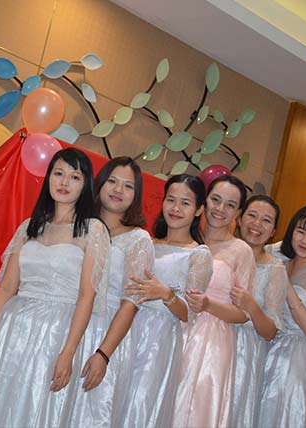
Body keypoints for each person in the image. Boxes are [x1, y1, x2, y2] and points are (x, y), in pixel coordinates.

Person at [0, 148, 110, 428]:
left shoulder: (93, 230)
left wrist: (68, 352)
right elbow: (7, 288)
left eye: (74, 177)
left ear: (85, 185)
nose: (64, 182)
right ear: (48, 178)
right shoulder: (29, 227)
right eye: (58, 173)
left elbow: (86, 296)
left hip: (57, 333)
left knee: (38, 411)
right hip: (13, 330)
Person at [113, 174, 213, 428]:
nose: (175, 208)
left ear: (199, 209)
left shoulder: (199, 255)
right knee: (111, 401)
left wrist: (166, 294)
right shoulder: (145, 241)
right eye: (171, 200)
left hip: (158, 339)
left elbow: (189, 313)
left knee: (139, 407)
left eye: (185, 203)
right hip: (123, 325)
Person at [72, 157, 154, 427]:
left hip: (106, 337)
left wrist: (103, 354)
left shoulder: (138, 239)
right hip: (67, 326)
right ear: (99, 184)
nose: (119, 190)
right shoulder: (77, 225)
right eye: (113, 181)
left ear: (136, 195)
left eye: (128, 186)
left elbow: (131, 303)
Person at [174, 175, 256, 428]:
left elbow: (243, 314)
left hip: (210, 341)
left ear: (238, 213)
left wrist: (208, 305)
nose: (220, 209)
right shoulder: (184, 236)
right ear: (204, 201)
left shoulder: (241, 251)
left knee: (195, 410)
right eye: (215, 200)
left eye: (230, 205)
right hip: (172, 326)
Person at [258, 205, 306, 428]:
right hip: (269, 343)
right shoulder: (282, 262)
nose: (305, 240)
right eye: (301, 231)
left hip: (296, 355)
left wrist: (286, 285)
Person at [230, 195, 289, 427]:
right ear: (239, 218)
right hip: (210, 339)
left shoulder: (275, 268)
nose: (257, 224)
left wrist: (252, 307)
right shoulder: (220, 251)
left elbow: (270, 332)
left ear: (273, 231)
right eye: (252, 215)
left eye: (266, 220)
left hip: (244, 354)